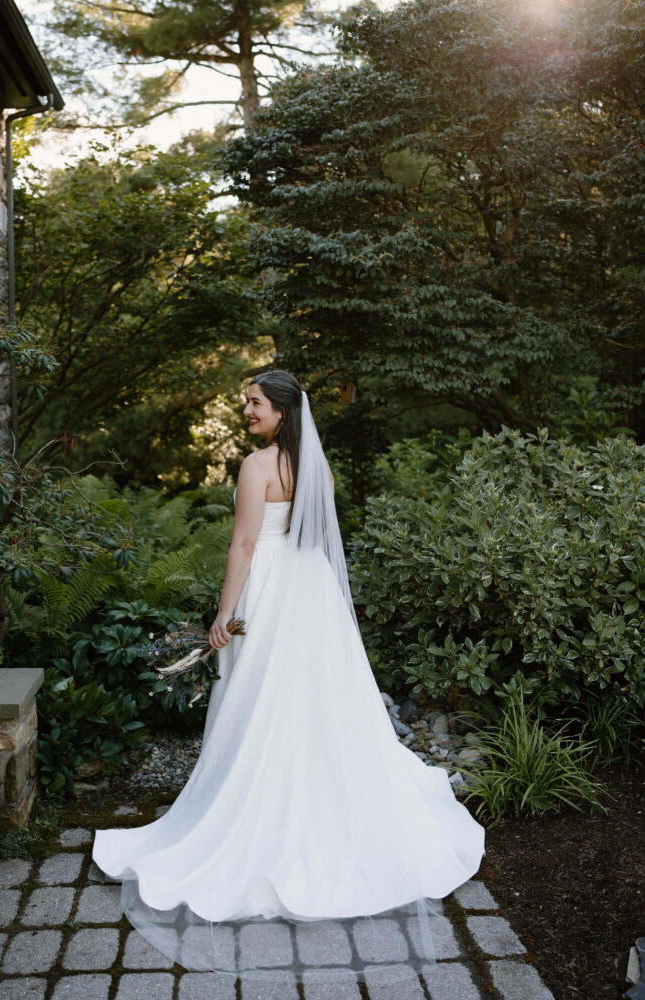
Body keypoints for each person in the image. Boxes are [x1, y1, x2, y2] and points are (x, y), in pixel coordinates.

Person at [92, 370, 485, 987]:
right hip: (312, 594)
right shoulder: (316, 468)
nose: (245, 410)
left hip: (271, 595)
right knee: (317, 704)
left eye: (253, 402)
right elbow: (324, 542)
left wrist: (224, 616)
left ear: (280, 410)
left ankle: (259, 807)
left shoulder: (257, 466)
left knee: (258, 704)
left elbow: (244, 546)